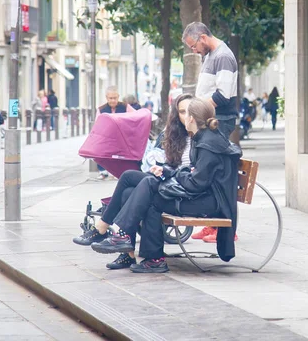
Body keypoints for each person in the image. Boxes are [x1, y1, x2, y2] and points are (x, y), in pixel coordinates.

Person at [90, 98, 242, 273]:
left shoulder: (208, 144)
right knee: (140, 190)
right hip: (204, 197)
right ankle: (149, 256)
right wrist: (170, 172)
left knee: (150, 189)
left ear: (191, 119)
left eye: (187, 114)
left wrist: (174, 174)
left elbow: (196, 184)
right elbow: (195, 175)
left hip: (210, 203)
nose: (183, 117)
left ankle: (128, 240)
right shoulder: (204, 138)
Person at [75, 94, 194, 270]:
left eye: (190, 111)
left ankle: (106, 231)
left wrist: (167, 172)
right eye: (182, 112)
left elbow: (193, 171)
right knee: (128, 187)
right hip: (170, 181)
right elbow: (173, 164)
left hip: (176, 187)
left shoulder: (200, 136)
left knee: (129, 179)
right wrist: (162, 168)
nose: (186, 116)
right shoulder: (177, 134)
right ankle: (127, 252)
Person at [182, 22, 238, 138]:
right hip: (212, 118)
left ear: (203, 38)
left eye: (193, 46)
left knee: (211, 156)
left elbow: (222, 96)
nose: (194, 51)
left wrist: (196, 109)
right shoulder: (210, 55)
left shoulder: (223, 56)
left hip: (220, 120)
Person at [95, 86, 135, 179]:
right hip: (107, 136)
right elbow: (98, 124)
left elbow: (135, 117)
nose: (113, 100)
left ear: (118, 97)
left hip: (122, 136)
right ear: (106, 98)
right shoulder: (101, 109)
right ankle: (103, 172)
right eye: (110, 98)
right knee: (102, 151)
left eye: (115, 98)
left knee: (121, 155)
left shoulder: (125, 106)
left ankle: (119, 172)